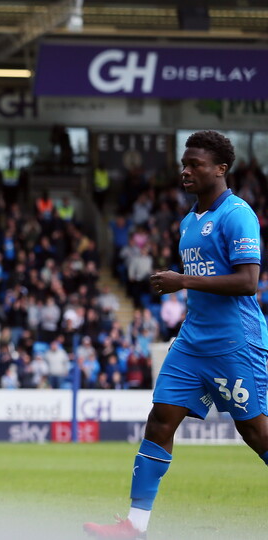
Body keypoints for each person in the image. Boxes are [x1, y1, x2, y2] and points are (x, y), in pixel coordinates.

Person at [84, 131, 268, 539]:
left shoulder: (238, 214)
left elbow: (246, 282)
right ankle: (135, 525)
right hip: (192, 341)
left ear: (220, 169)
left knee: (255, 433)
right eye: (184, 164)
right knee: (160, 419)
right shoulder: (189, 221)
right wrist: (184, 282)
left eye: (195, 164)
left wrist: (181, 280)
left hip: (235, 341)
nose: (185, 171)